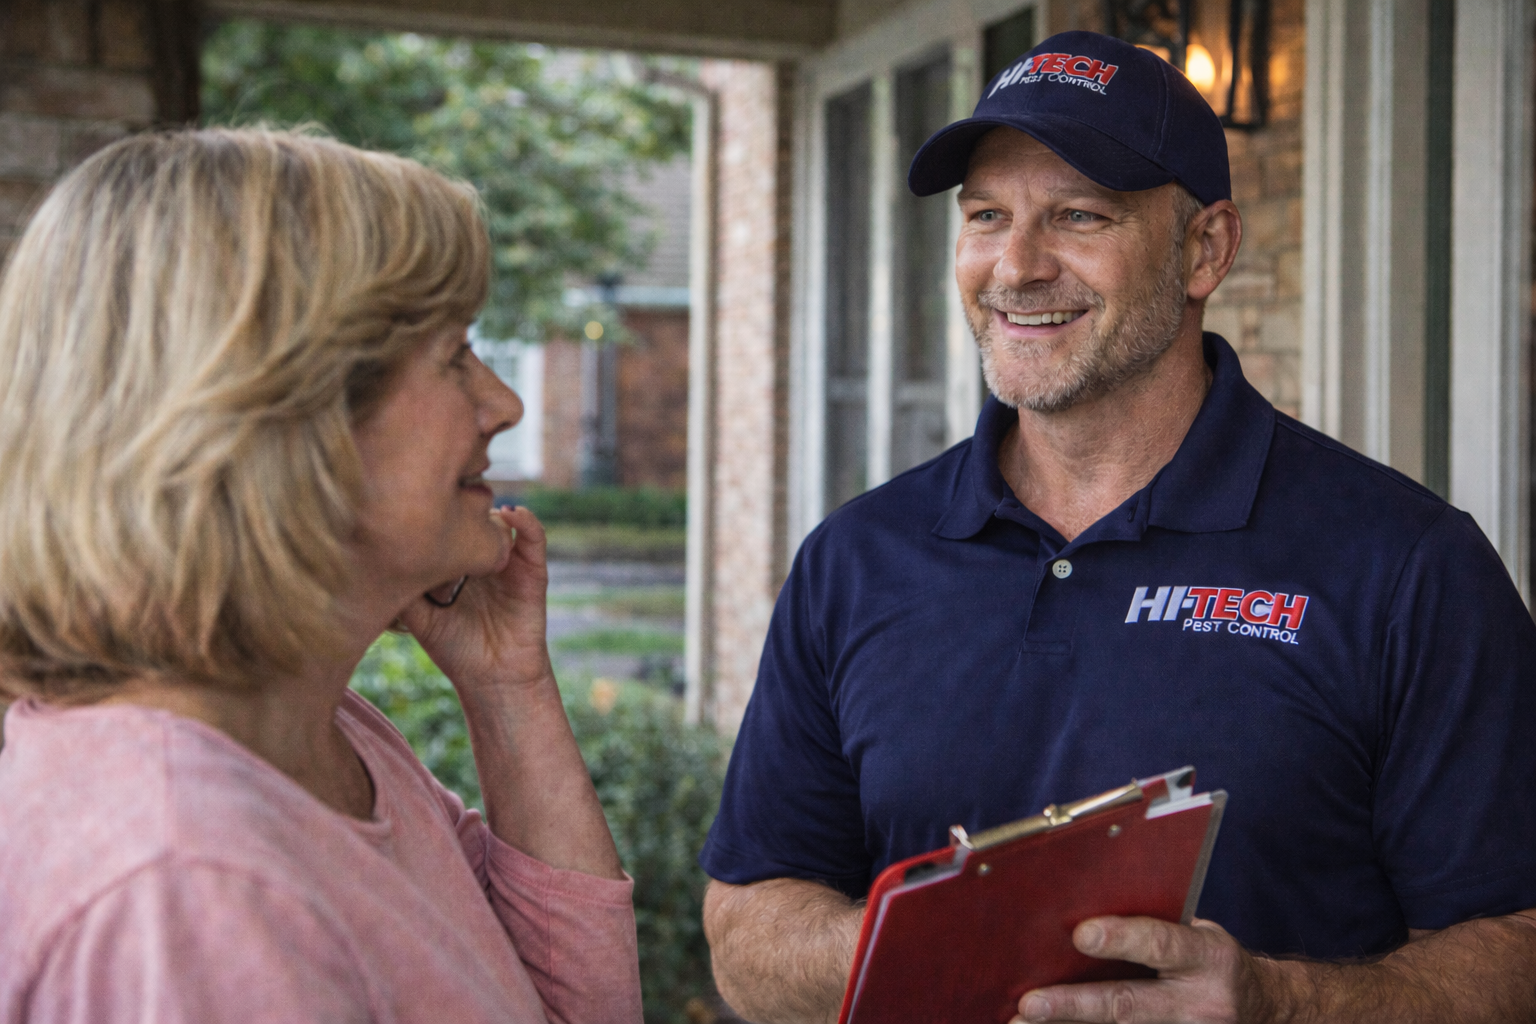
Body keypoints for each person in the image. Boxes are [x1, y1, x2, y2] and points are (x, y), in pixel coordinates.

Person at [699, 31, 1536, 1024]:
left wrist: (1281, 1003)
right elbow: (746, 925)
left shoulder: (1407, 567)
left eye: (1077, 216)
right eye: (985, 217)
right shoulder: (856, 559)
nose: (1014, 265)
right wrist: (945, 943)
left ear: (1205, 249)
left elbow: (1517, 948)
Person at [0, 129, 641, 1023]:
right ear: (283, 415)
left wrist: (508, 688)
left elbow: (579, 1013)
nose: (504, 404)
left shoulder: (315, 731)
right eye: (456, 355)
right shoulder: (188, 886)